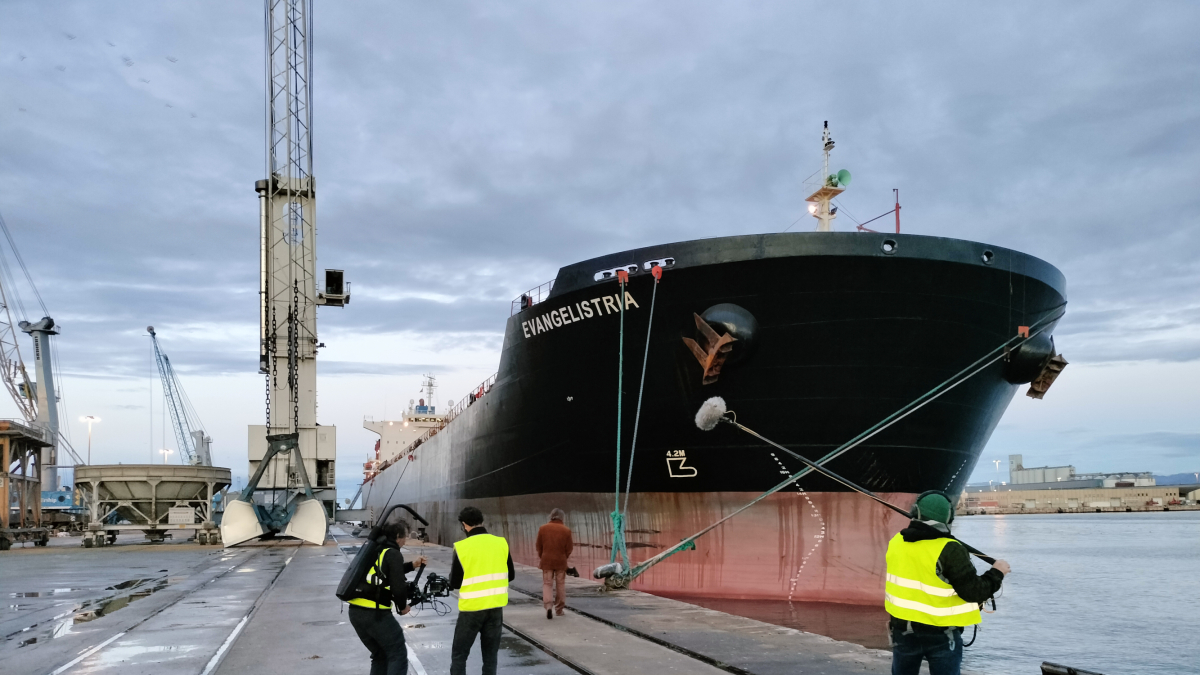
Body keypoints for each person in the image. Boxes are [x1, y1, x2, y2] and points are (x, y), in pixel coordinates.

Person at [885, 491, 1010, 675]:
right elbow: (974, 592)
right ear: (948, 517)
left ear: (916, 512)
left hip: (903, 630)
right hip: (941, 634)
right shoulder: (950, 549)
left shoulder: (896, 542)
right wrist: (997, 572)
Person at [346, 519, 429, 675]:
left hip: (355, 612)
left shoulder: (375, 550)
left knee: (380, 655)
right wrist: (403, 607)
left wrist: (412, 565)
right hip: (375, 614)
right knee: (397, 653)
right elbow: (398, 588)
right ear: (398, 536)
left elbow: (386, 571)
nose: (405, 540)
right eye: (405, 536)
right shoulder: (393, 553)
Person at [449, 506, 516, 675]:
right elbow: (511, 575)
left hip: (471, 611)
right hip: (495, 609)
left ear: (464, 525)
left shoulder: (462, 547)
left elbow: (455, 582)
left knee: (459, 656)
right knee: (490, 657)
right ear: (482, 522)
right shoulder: (501, 543)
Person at [535, 508, 573, 619]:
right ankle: (559, 609)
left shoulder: (543, 529)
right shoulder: (566, 530)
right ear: (562, 517)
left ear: (551, 516)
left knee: (547, 583)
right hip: (561, 561)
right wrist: (564, 557)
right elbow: (569, 548)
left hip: (546, 560)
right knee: (560, 584)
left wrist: (542, 556)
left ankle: (548, 606)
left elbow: (538, 546)